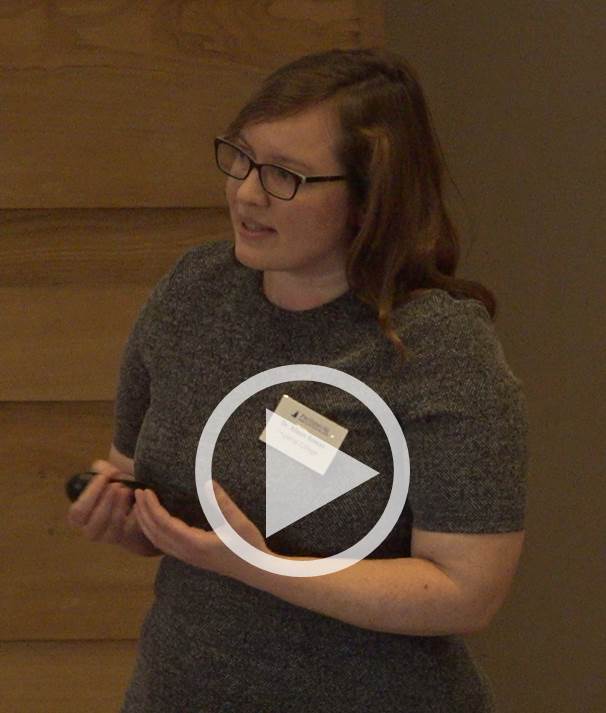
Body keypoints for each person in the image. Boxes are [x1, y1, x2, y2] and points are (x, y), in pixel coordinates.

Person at [67, 48, 528, 712]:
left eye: (285, 175)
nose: (247, 193)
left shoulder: (440, 346)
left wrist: (263, 566)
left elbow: (466, 592)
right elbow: (147, 489)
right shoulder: (192, 292)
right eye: (242, 158)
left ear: (369, 199)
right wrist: (123, 517)